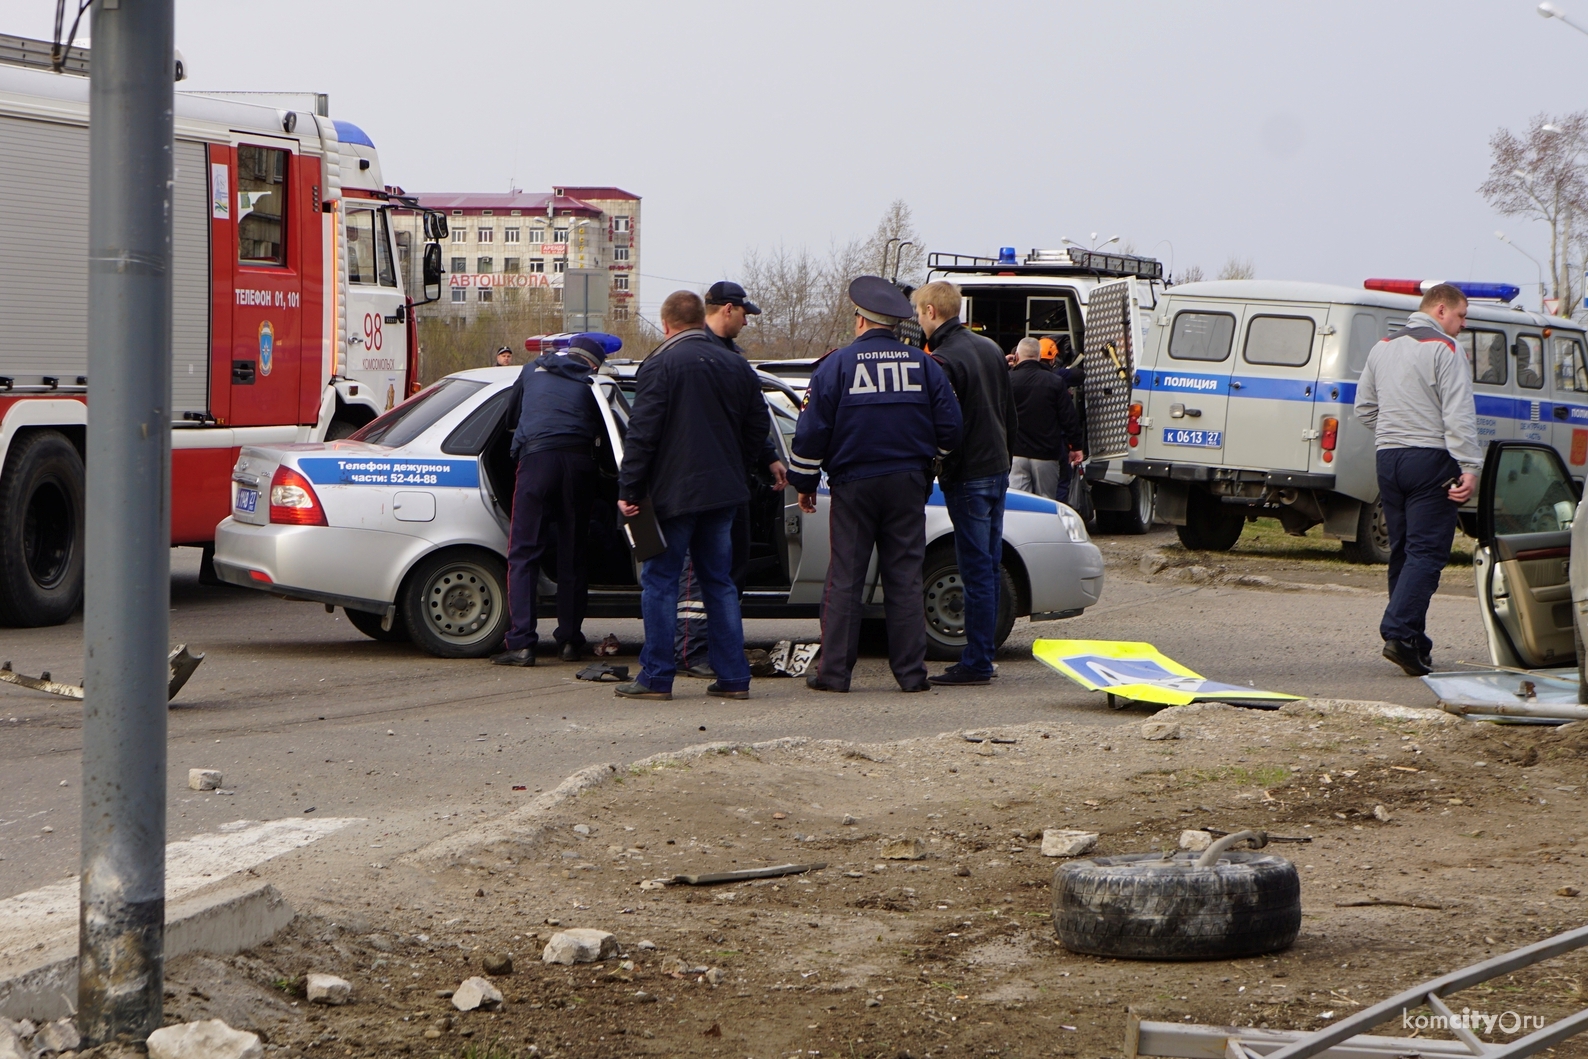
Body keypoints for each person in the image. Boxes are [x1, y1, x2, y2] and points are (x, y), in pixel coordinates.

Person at [790, 277, 962, 693]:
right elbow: (952, 430)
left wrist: (805, 481)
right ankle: (911, 675)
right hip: (907, 484)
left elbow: (811, 433)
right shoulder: (924, 365)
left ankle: (834, 675)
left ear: (860, 320)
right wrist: (928, 461)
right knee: (904, 578)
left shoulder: (837, 365)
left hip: (853, 485)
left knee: (845, 578)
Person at [615, 291, 777, 701]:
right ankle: (734, 678)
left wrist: (630, 490)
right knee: (719, 583)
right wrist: (736, 466)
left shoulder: (660, 364)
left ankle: (655, 677)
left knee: (661, 582)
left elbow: (643, 434)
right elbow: (759, 425)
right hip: (724, 494)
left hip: (674, 495)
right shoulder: (736, 364)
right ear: (699, 319)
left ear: (666, 324)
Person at [1353, 283, 1481, 677]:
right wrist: (1469, 466)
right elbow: (1458, 415)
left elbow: (1364, 409)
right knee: (1427, 552)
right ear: (1440, 310)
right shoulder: (1445, 349)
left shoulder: (1383, 346)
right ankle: (1398, 630)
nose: (1462, 326)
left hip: (1388, 459)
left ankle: (1411, 643)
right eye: (1460, 316)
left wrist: (1394, 431)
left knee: (1404, 551)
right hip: (1430, 460)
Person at [674, 282, 788, 678]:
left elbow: (752, 415)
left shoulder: (731, 357)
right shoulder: (694, 353)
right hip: (701, 480)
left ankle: (723, 652)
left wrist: (770, 457)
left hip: (731, 478)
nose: (746, 321)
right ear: (727, 309)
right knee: (699, 574)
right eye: (744, 313)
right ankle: (691, 650)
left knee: (728, 570)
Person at [914, 280, 1018, 687]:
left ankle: (976, 661)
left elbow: (943, 424)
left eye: (920, 313)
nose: (919, 320)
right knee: (988, 567)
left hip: (969, 473)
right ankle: (983, 654)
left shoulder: (942, 359)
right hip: (996, 468)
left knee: (974, 569)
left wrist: (937, 463)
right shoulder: (989, 348)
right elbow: (1008, 412)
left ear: (931, 312)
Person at [490, 333, 613, 667]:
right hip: (578, 465)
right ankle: (570, 642)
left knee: (524, 554)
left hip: (537, 462)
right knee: (573, 552)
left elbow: (512, 418)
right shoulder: (591, 383)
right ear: (593, 364)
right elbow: (605, 430)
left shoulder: (532, 370)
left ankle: (521, 645)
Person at [1008, 337, 1084, 501]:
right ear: (1038, 356)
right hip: (1046, 455)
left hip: (1016, 454)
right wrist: (1076, 446)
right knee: (1046, 503)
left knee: (1019, 504)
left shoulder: (1007, 380)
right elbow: (1068, 418)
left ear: (1016, 357)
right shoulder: (1055, 382)